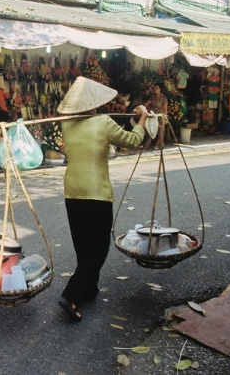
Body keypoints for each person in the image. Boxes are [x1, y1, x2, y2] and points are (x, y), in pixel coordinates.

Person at [56, 76, 148, 322]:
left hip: (72, 190)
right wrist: (143, 119)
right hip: (96, 192)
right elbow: (132, 140)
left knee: (83, 244)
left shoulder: (66, 124)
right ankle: (71, 294)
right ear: (94, 103)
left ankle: (88, 289)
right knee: (97, 248)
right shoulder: (103, 122)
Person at [142, 82, 168, 150]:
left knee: (160, 131)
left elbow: (165, 108)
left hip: (160, 115)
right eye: (154, 88)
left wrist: (165, 117)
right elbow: (147, 103)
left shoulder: (163, 98)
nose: (155, 89)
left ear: (160, 89)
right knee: (150, 128)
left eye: (157, 88)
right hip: (152, 114)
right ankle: (146, 145)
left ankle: (159, 144)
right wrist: (143, 107)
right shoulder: (152, 96)